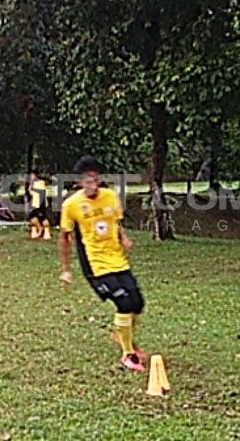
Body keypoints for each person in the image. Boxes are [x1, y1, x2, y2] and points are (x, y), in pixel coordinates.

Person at [58, 157, 148, 372]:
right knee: (124, 304)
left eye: (94, 178)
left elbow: (115, 222)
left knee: (137, 303)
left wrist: (123, 237)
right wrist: (66, 269)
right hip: (94, 264)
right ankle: (128, 355)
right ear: (79, 182)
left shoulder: (110, 197)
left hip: (117, 259)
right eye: (86, 179)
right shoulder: (71, 205)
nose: (91, 182)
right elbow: (64, 237)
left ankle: (121, 334)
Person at [27, 171, 52, 240]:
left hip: (39, 203)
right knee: (34, 216)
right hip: (36, 202)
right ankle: (42, 230)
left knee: (42, 217)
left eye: (32, 176)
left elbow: (39, 193)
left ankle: (44, 230)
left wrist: (31, 188)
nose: (31, 177)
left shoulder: (39, 183)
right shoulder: (36, 183)